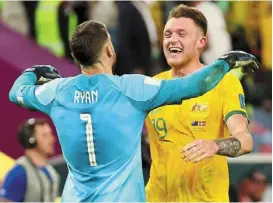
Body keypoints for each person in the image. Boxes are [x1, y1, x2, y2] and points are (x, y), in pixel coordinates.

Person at [8, 20, 259, 202]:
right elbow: (195, 85)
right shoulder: (132, 89)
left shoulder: (56, 92)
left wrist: (34, 72)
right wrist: (225, 63)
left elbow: (16, 93)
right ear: (109, 50)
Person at [145, 4, 257, 202]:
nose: (172, 40)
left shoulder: (224, 83)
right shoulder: (152, 87)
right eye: (168, 34)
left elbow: (245, 140)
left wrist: (214, 145)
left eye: (182, 34)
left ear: (201, 42)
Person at [0, 118, 60, 202]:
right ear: (31, 140)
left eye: (51, 134)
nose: (52, 139)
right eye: (45, 135)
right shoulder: (19, 173)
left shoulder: (51, 172)